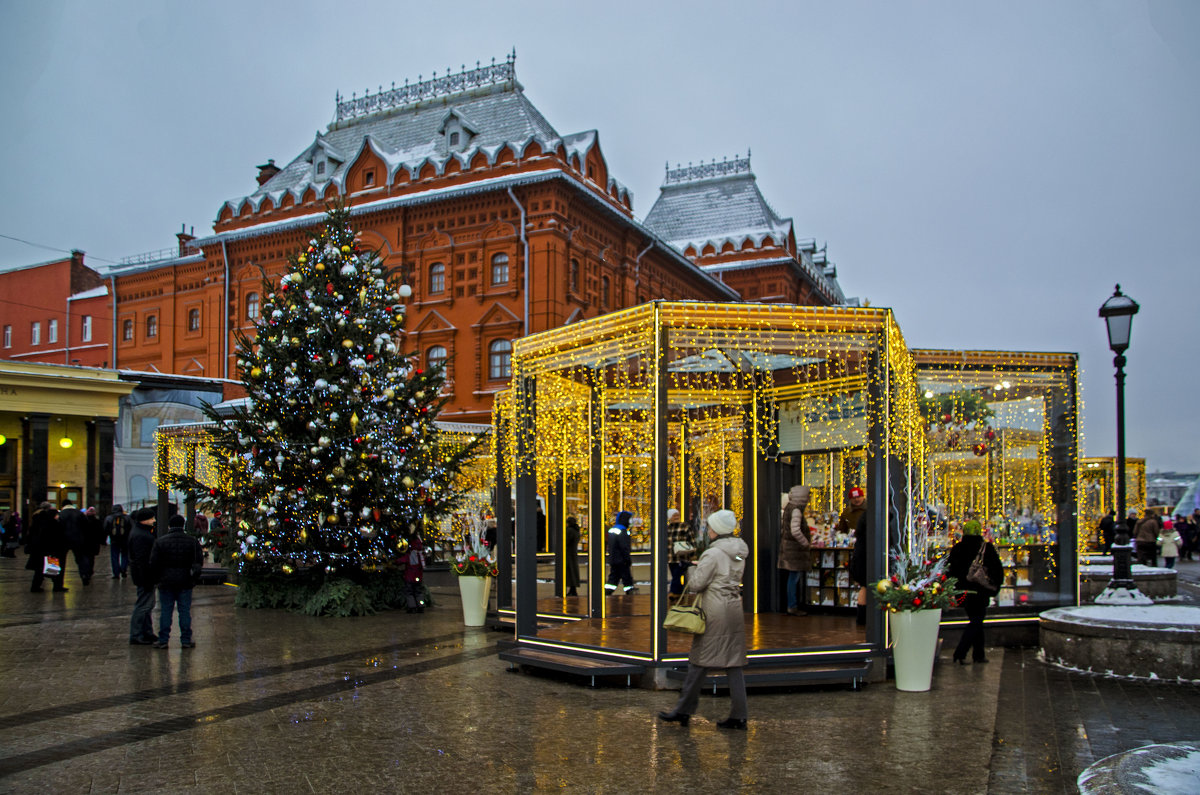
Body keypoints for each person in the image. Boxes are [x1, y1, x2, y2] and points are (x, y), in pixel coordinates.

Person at [658, 509, 750, 730]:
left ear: (717, 530)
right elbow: (730, 569)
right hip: (733, 608)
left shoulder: (713, 554)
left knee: (698, 661)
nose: (708, 531)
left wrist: (690, 570)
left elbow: (697, 584)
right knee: (734, 664)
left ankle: (683, 710)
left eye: (710, 527)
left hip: (714, 610)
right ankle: (740, 714)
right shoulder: (739, 552)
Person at [947, 520, 1004, 664]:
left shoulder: (957, 549)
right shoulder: (986, 548)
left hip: (963, 591)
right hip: (980, 591)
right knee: (977, 621)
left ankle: (979, 654)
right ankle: (961, 652)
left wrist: (955, 586)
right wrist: (995, 586)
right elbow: (997, 570)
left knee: (977, 620)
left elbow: (950, 570)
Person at [150, 513, 203, 648]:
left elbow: (154, 563)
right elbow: (198, 562)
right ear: (183, 525)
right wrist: (194, 578)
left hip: (166, 581)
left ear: (169, 525)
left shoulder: (161, 541)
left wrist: (157, 579)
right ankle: (185, 640)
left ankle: (163, 640)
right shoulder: (192, 541)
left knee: (166, 611)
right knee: (184, 611)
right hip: (185, 580)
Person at [778, 485, 811, 616]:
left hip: (790, 548)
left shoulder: (789, 508)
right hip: (794, 550)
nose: (809, 498)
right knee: (794, 577)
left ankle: (792, 604)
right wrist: (805, 543)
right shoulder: (796, 510)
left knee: (792, 577)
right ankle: (792, 605)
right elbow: (795, 530)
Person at [128, 507, 159, 645]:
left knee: (148, 604)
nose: (154, 520)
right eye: (152, 518)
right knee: (144, 605)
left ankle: (146, 631)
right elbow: (142, 559)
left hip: (143, 575)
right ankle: (136, 634)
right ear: (145, 520)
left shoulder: (140, 532)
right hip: (145, 576)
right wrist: (147, 577)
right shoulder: (142, 535)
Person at [26, 501, 68, 592]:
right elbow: (57, 537)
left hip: (39, 550)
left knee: (41, 570)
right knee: (50, 569)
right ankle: (56, 586)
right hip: (49, 550)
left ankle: (36, 586)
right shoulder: (52, 524)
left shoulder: (39, 521)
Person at [59, 501, 95, 585]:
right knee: (81, 558)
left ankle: (59, 581)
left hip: (64, 540)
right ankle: (84, 575)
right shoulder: (79, 514)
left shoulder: (61, 514)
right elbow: (86, 527)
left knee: (61, 560)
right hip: (78, 539)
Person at [605, 510, 636, 595]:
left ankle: (606, 593)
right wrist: (627, 559)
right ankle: (630, 593)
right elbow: (624, 547)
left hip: (614, 559)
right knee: (627, 578)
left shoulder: (613, 530)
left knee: (613, 578)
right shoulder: (623, 531)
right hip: (622, 560)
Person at [666, 508, 694, 598]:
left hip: (682, 557)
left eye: (677, 515)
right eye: (674, 515)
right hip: (670, 557)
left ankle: (672, 592)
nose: (676, 517)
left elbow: (691, 540)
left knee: (677, 576)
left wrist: (692, 554)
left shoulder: (684, 526)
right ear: (669, 517)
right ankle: (679, 594)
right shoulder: (667, 528)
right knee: (676, 575)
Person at [105, 504, 130, 578]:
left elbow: (105, 529)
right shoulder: (127, 517)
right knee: (125, 555)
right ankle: (123, 569)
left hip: (114, 540)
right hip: (125, 539)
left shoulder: (109, 518)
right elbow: (131, 527)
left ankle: (116, 573)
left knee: (114, 556)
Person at [403, 532, 426, 613]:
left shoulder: (409, 555)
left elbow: (401, 560)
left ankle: (412, 607)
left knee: (409, 592)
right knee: (418, 592)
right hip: (418, 577)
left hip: (409, 577)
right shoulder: (420, 555)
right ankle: (421, 605)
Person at [564, 515, 581, 597]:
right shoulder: (576, 530)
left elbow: (565, 541)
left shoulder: (569, 531)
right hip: (573, 553)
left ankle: (572, 590)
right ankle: (573, 589)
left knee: (570, 572)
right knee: (573, 571)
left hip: (569, 554)